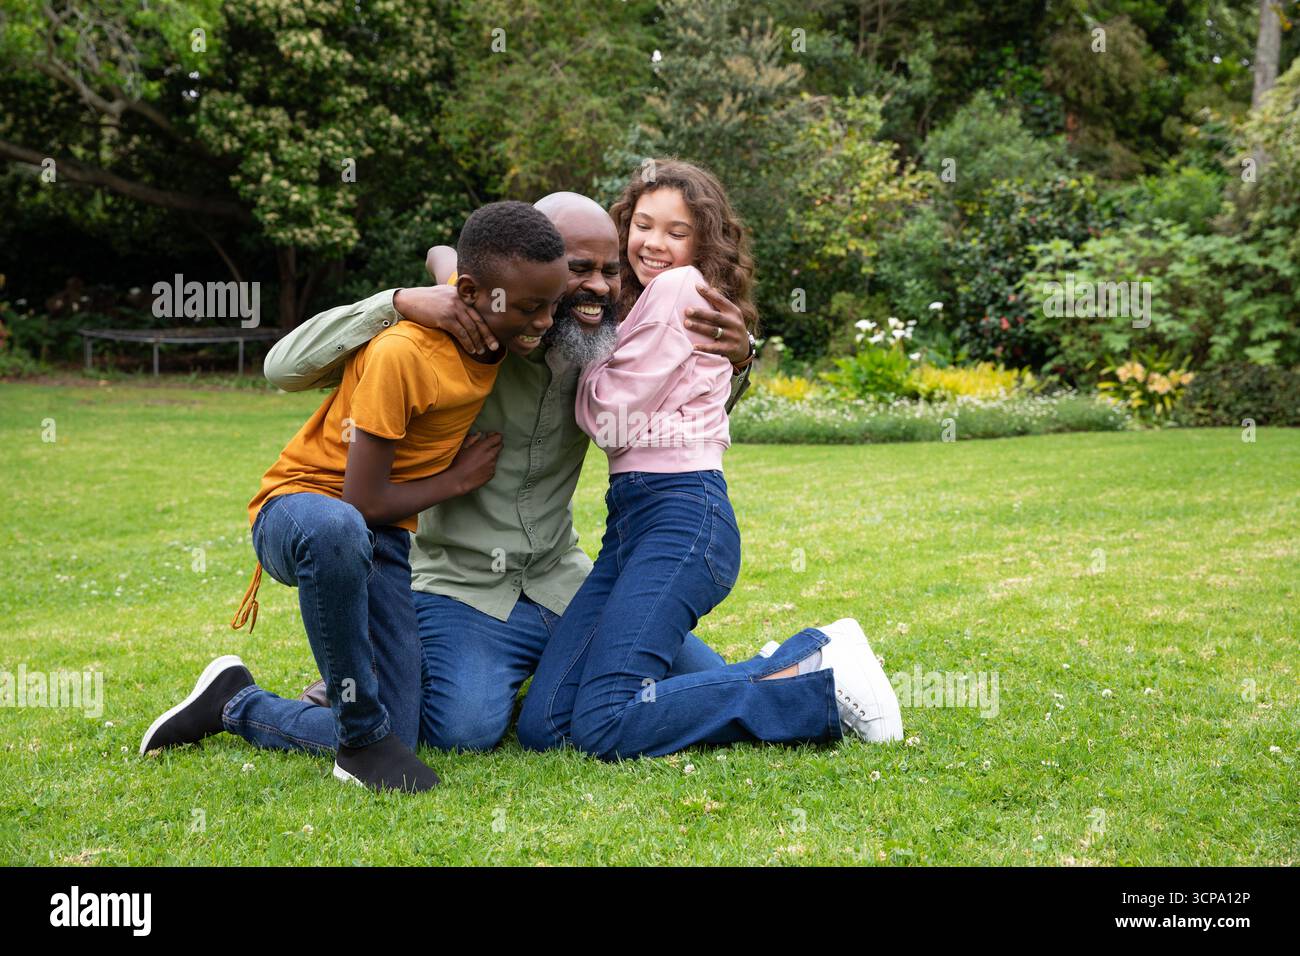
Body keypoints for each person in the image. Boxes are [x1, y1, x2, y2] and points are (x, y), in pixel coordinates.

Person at [261, 191, 757, 753]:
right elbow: (282, 367)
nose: (596, 285)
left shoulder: (600, 342)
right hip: (461, 589)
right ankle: (387, 677)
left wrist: (740, 358)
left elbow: (674, 413)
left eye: (608, 270)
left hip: (563, 579)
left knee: (693, 677)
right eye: (578, 269)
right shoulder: (459, 330)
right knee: (463, 731)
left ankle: (803, 671)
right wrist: (397, 301)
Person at [138, 202, 569, 792]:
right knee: (339, 530)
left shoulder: (487, 310)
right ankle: (361, 745)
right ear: (473, 293)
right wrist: (454, 481)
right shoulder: (405, 353)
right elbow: (359, 501)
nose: (545, 321)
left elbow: (445, 255)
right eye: (529, 308)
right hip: (302, 510)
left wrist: (442, 283)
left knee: (408, 733)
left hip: (383, 536)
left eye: (552, 303)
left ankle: (236, 703)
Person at [515, 160, 904, 760]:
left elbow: (606, 415)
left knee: (603, 723)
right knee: (547, 727)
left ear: (702, 240)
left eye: (677, 231)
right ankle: (772, 668)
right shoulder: (639, 305)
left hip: (682, 513)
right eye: (643, 225)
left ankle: (815, 673)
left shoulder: (677, 290)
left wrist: (587, 357)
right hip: (633, 522)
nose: (655, 243)